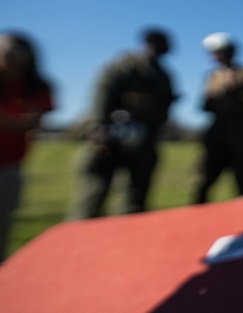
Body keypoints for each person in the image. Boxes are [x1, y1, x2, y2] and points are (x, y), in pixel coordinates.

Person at [67, 28, 178, 219]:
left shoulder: (163, 75)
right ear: (153, 43)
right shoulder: (126, 65)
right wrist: (99, 126)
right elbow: (103, 92)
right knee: (94, 192)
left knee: (135, 196)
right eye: (165, 44)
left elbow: (165, 106)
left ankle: (127, 237)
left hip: (144, 138)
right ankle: (78, 237)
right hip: (111, 134)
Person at [191, 32, 243, 204]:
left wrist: (242, 87)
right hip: (217, 136)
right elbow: (204, 104)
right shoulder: (212, 77)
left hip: (241, 135)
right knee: (204, 180)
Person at [0, 33, 55, 261]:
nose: (10, 57)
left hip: (9, 167)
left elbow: (31, 123)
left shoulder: (36, 87)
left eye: (16, 52)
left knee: (2, 227)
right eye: (5, 50)